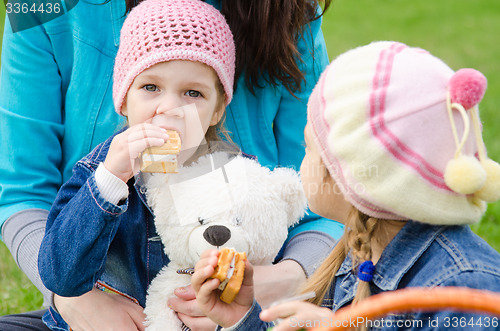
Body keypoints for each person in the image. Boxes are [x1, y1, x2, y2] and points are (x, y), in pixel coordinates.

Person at [0, 0, 339, 330]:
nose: (169, 108)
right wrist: (78, 300)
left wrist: (267, 289)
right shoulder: (97, 174)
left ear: (219, 107)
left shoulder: (240, 178)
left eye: (193, 93)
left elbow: (324, 205)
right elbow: (47, 244)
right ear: (122, 97)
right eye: (150, 87)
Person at [192, 41, 500, 330]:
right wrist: (243, 318)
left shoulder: (465, 289)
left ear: (351, 178)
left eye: (309, 146)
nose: (302, 159)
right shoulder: (360, 253)